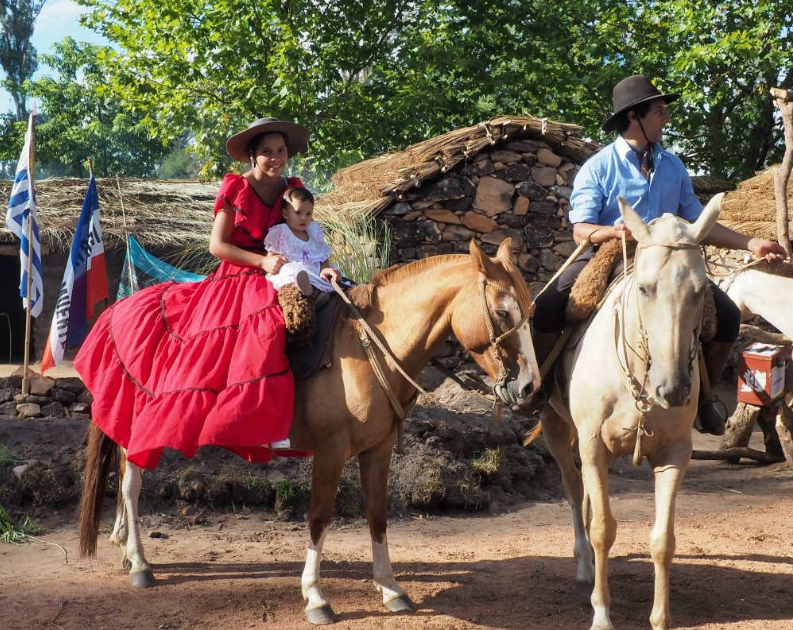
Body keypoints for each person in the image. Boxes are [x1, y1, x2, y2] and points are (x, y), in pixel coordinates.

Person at [531, 75, 787, 435]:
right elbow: (581, 230)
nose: (666, 119)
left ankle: (704, 399)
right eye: (659, 112)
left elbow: (698, 222)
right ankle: (538, 389)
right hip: (613, 254)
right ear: (634, 118)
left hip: (671, 264)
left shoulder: (673, 166)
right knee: (546, 307)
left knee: (727, 316)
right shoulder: (599, 167)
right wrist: (615, 230)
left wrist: (751, 244)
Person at [74, 117, 311, 467]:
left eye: (281, 151)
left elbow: (304, 232)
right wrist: (261, 263)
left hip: (284, 269)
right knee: (266, 329)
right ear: (251, 156)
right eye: (266, 152)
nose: (275, 158)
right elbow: (217, 246)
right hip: (242, 273)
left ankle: (310, 413)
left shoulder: (293, 189)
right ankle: (259, 424)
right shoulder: (236, 188)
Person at [263, 187, 342, 297]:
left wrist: (325, 269)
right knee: (290, 270)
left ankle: (320, 293)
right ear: (285, 214)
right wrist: (274, 262)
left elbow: (322, 256)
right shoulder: (281, 233)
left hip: (315, 273)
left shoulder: (313, 233)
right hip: (295, 272)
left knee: (333, 275)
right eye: (298, 212)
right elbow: (271, 257)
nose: (304, 218)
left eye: (308, 214)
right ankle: (309, 292)